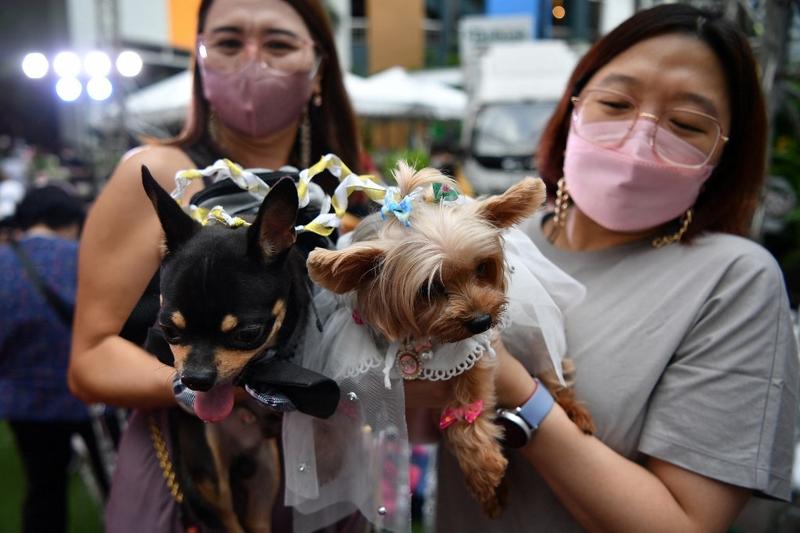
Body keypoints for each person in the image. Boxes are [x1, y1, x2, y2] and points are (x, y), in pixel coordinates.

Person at [405, 4, 799, 532]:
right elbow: (416, 427)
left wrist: (516, 389)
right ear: (573, 106)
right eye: (615, 103)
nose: (640, 137)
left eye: (686, 124)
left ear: (723, 154)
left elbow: (685, 524)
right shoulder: (492, 244)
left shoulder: (735, 281)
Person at [67, 0, 361, 530]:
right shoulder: (161, 174)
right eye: (228, 42)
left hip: (323, 477)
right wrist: (207, 382)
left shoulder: (340, 193)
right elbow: (89, 361)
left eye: (278, 43)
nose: (253, 60)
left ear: (319, 69)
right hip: (191, 476)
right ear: (199, 64)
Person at [0, 185, 108, 533]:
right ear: (71, 221)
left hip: (26, 402)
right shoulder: (86, 257)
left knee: (44, 490)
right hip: (94, 394)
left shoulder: (3, 263)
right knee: (117, 485)